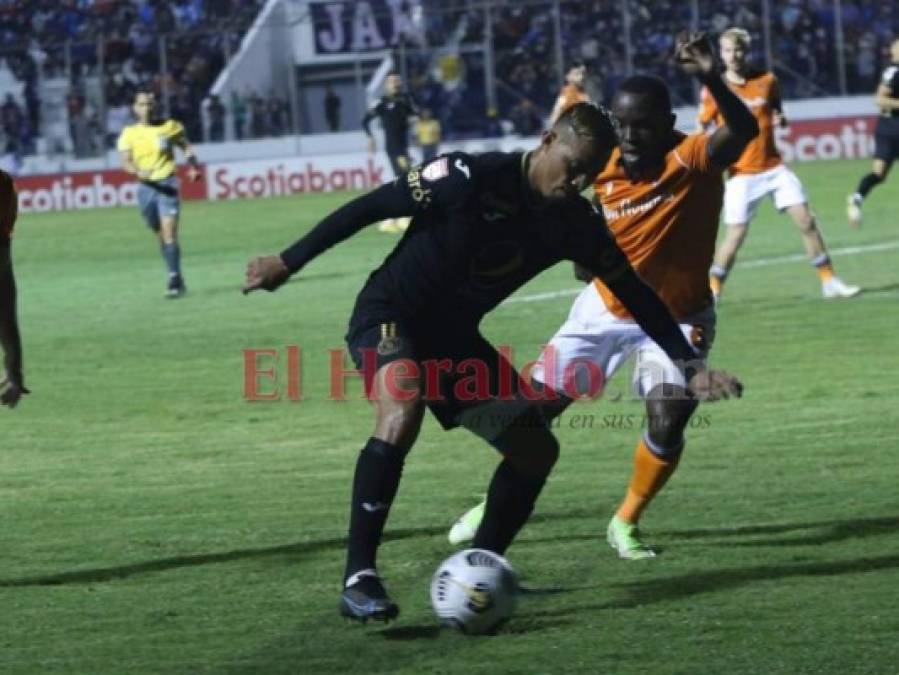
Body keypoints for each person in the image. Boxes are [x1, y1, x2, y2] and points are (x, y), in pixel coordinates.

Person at [242, 102, 743, 622]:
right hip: (390, 315)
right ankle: (360, 577)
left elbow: (635, 294)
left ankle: (480, 567)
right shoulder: (467, 177)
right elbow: (368, 207)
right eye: (572, 165)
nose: (577, 181)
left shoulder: (574, 223)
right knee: (402, 406)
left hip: (453, 341)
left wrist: (687, 363)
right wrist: (288, 260)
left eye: (590, 174)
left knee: (534, 451)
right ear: (548, 139)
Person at [448, 33, 756, 559]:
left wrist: (709, 75)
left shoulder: (693, 157)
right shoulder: (602, 164)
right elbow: (567, 218)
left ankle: (626, 521)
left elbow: (744, 129)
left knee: (669, 412)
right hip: (606, 308)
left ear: (668, 121)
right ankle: (492, 504)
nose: (630, 134)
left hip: (679, 314)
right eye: (621, 122)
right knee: (533, 415)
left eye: (643, 124)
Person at [701, 28, 860, 300]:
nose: (733, 55)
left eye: (738, 49)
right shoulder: (716, 89)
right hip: (741, 173)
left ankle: (829, 281)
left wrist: (780, 119)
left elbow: (777, 110)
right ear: (721, 54)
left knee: (806, 221)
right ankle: (713, 292)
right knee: (735, 235)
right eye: (728, 50)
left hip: (774, 168)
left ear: (746, 51)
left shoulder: (767, 80)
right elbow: (704, 128)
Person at [117, 91, 201, 298]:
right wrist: (137, 171)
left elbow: (186, 146)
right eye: (142, 105)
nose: (147, 108)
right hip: (146, 189)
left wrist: (192, 166)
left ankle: (174, 278)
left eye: (150, 104)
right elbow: (125, 162)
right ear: (135, 108)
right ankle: (176, 276)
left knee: (169, 233)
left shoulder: (169, 127)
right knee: (161, 237)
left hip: (168, 184)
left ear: (156, 107)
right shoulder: (129, 133)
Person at [847, 37, 899, 227]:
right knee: (879, 173)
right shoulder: (893, 72)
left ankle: (856, 198)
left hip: (889, 128)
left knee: (879, 174)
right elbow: (880, 99)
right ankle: (856, 198)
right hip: (891, 128)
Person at [362, 72, 418, 234]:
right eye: (392, 81)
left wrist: (414, 126)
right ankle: (399, 217)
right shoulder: (382, 103)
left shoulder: (406, 99)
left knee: (403, 180)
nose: (395, 83)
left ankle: (392, 218)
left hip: (404, 148)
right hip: (394, 148)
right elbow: (365, 121)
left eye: (397, 80)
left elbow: (415, 115)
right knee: (406, 180)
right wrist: (371, 138)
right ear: (386, 85)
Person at [0, 169, 27, 408]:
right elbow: (10, 221)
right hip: (2, 252)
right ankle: (14, 377)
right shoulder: (6, 181)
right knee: (7, 320)